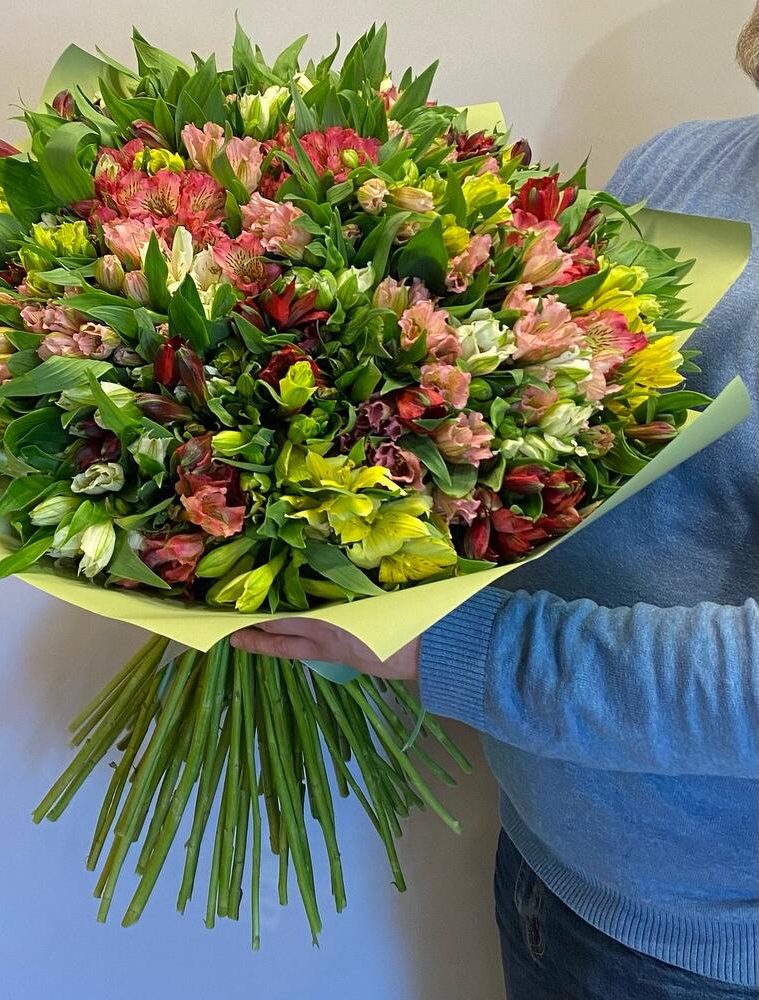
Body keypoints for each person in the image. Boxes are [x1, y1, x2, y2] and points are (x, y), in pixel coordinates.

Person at [231, 7, 759, 997]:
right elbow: (555, 456)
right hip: (547, 855)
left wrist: (439, 646)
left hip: (700, 950)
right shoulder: (676, 167)